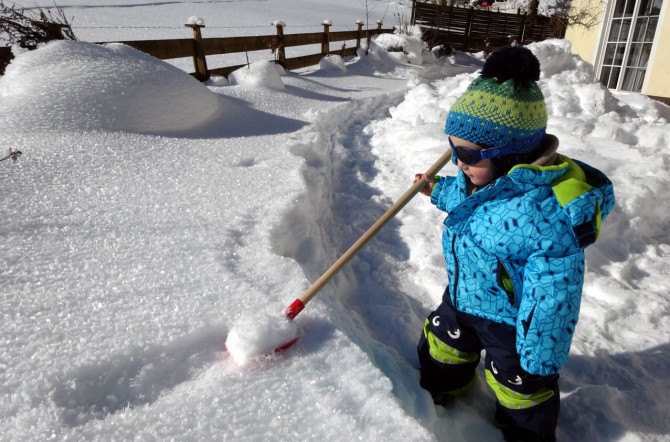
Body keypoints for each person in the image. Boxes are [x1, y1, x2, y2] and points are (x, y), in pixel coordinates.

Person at [414, 46, 615, 441]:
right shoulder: (479, 181)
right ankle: (438, 392)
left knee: (520, 386)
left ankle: (524, 433)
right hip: (463, 295)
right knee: (442, 346)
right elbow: (466, 199)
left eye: (466, 155)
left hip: (510, 322)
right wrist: (436, 190)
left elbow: (555, 296)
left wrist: (540, 356)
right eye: (451, 150)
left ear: (510, 156)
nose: (457, 163)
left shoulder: (548, 217)